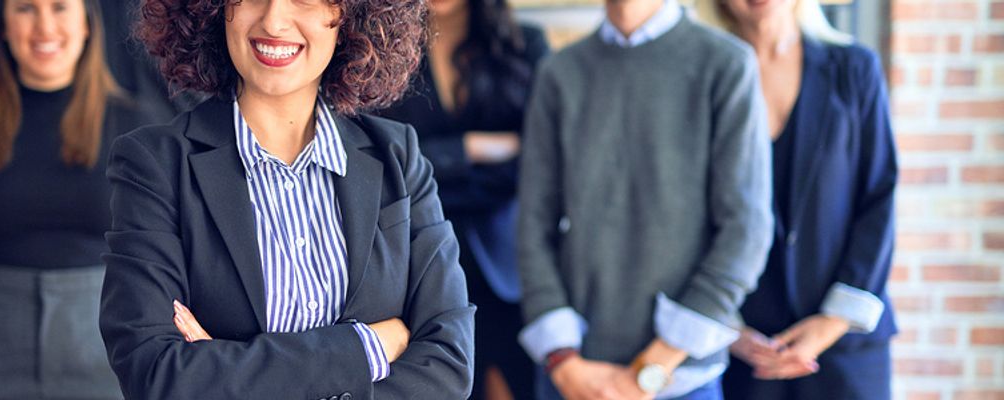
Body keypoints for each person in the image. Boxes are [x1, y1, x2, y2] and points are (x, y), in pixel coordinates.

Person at [97, 0, 475, 398]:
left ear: (351, 13)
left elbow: (449, 365)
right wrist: (366, 348)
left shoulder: (398, 157)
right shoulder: (155, 165)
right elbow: (157, 375)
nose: (274, 20)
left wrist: (228, 369)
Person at [515, 0, 775, 398]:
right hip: (571, 378)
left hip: (682, 379)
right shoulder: (559, 72)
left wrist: (651, 368)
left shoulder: (726, 64)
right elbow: (532, 224)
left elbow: (747, 231)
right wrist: (563, 361)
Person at [0, 0, 153, 398]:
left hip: (108, 356)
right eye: (25, 8)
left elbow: (174, 257)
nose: (44, 26)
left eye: (59, 8)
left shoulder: (139, 130)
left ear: (88, 23)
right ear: (2, 26)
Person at [693, 0, 899, 398]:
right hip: (742, 345)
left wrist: (833, 321)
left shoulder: (854, 69)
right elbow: (684, 212)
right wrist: (725, 324)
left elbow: (879, 198)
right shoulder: (700, 76)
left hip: (843, 343)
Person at [377, 0, 547, 397]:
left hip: (510, 257)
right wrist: (471, 148)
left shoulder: (526, 43)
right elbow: (383, 157)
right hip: (416, 250)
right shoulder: (384, 48)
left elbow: (543, 155)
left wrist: (436, 164)